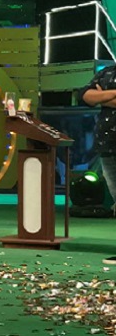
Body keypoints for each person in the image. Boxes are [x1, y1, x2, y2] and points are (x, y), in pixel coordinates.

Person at [78, 64, 116, 264]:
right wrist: (112, 95)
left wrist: (103, 96)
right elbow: (85, 96)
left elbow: (95, 98)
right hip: (107, 145)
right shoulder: (107, 72)